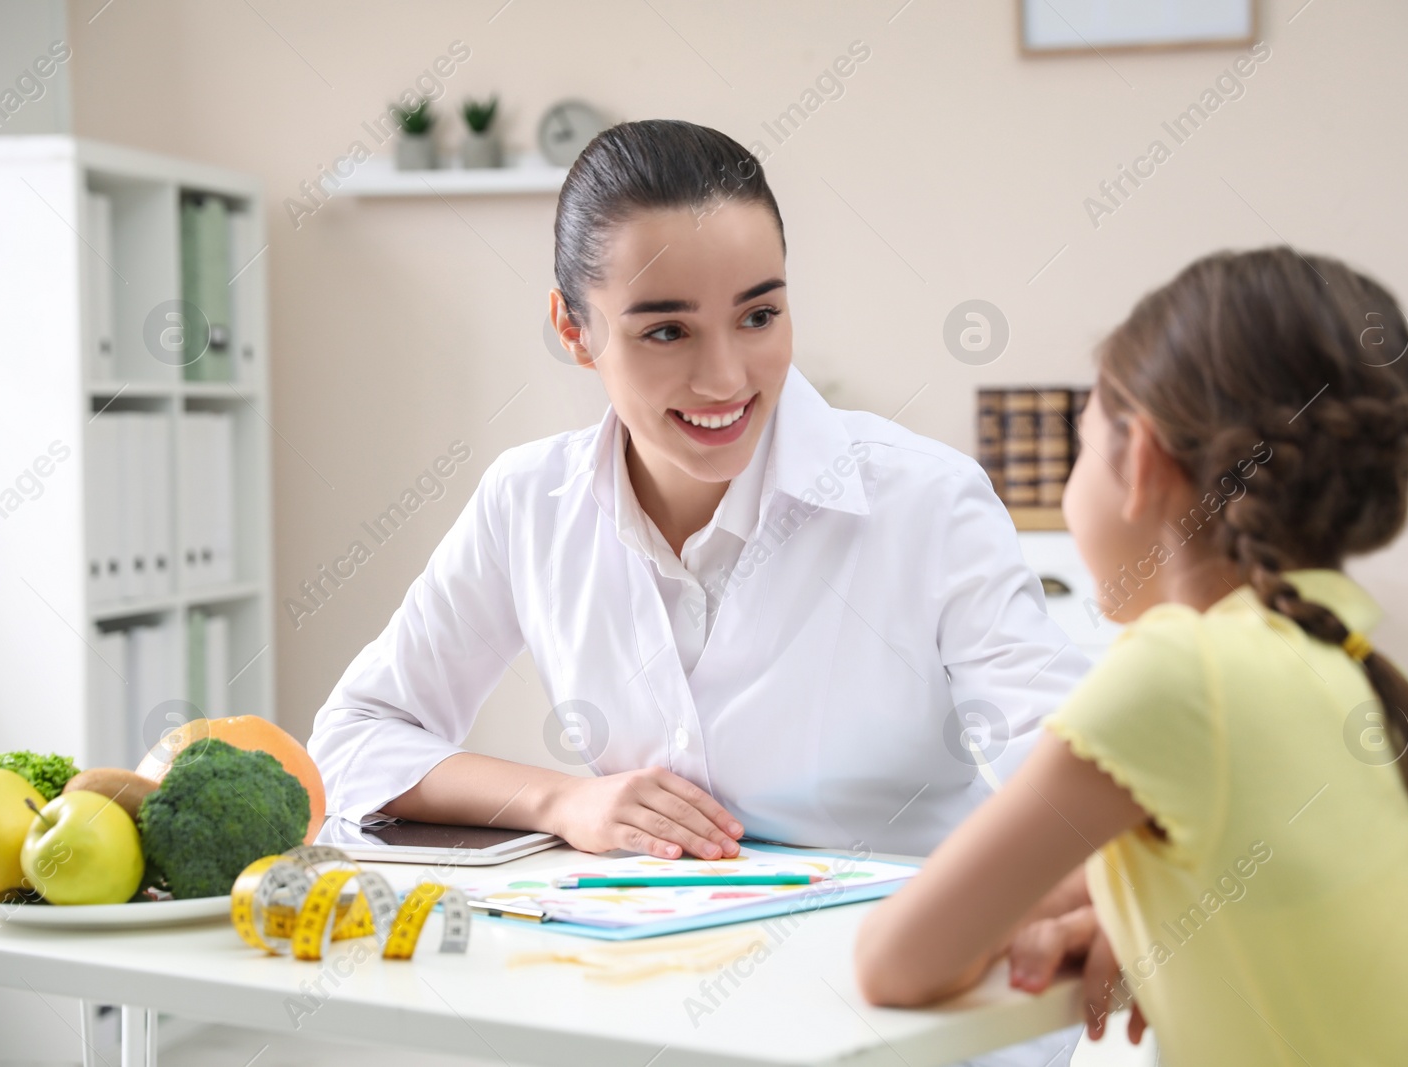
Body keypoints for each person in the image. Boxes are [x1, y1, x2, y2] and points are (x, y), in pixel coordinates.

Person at [307, 117, 1089, 875]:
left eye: (758, 315)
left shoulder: (927, 500)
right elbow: (354, 738)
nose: (724, 379)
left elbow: (1074, 762)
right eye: (666, 331)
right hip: (644, 974)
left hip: (900, 971)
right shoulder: (528, 502)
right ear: (573, 331)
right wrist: (560, 801)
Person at [855, 247, 1408, 1063]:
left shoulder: (1175, 673)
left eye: (1081, 442)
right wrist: (1133, 908)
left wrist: (1080, 907)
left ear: (1141, 463)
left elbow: (896, 962)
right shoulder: (1329, 656)